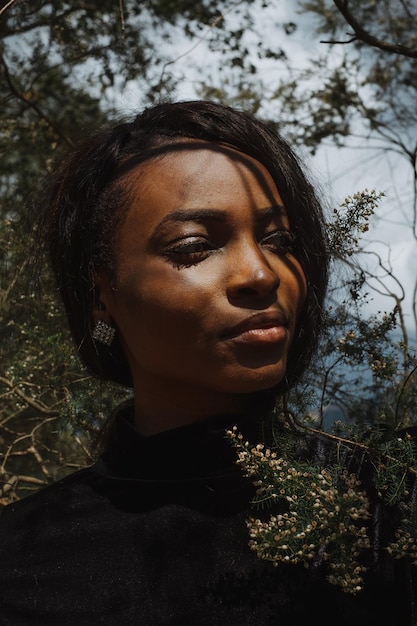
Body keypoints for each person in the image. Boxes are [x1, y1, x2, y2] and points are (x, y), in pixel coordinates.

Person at [0, 100, 414, 625]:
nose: (261, 273)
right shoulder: (20, 563)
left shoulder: (387, 501)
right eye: (195, 246)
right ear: (101, 291)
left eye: (278, 239)